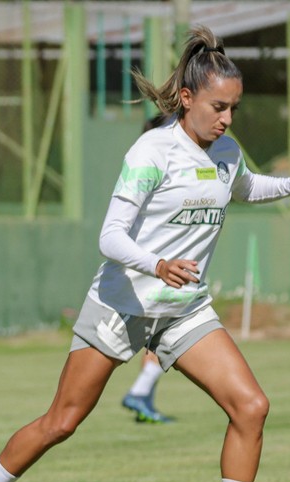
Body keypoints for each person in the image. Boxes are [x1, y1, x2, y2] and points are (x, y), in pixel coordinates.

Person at [0, 26, 290, 482]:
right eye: (218, 107)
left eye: (234, 109)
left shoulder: (225, 149)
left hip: (185, 311)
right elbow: (109, 236)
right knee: (62, 421)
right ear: (187, 98)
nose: (227, 118)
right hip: (121, 305)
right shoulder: (152, 150)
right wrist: (158, 264)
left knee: (251, 406)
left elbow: (246, 187)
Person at [120, 115, 178, 425]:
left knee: (159, 334)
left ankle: (145, 400)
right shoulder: (154, 167)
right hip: (156, 268)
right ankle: (139, 393)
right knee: (164, 333)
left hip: (153, 267)